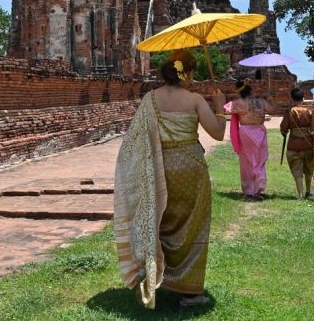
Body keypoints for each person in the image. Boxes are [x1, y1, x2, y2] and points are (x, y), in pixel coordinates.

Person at [114, 49, 226, 310]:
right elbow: (218, 134)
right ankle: (190, 290)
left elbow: (134, 140)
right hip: (190, 166)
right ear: (186, 73)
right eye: (192, 72)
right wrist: (220, 108)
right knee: (192, 224)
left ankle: (158, 275)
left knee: (159, 221)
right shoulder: (195, 99)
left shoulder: (150, 99)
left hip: (158, 167)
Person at [228, 79, 273, 200]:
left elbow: (226, 109)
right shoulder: (261, 102)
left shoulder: (237, 103)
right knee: (260, 159)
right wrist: (270, 98)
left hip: (245, 133)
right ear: (251, 91)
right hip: (259, 131)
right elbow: (273, 109)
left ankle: (249, 190)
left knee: (247, 161)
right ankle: (260, 187)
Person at [280, 88, 314, 199]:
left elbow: (283, 128)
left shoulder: (289, 111)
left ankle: (300, 195)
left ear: (292, 99)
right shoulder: (308, 112)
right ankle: (308, 191)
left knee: (296, 170)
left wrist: (284, 132)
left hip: (294, 145)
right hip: (308, 145)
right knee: (309, 169)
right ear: (303, 99)